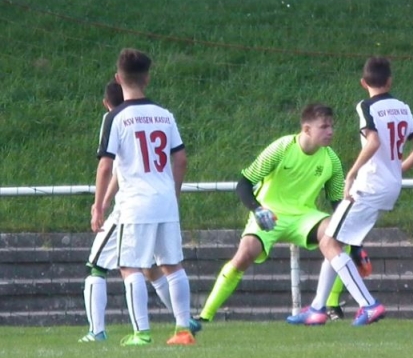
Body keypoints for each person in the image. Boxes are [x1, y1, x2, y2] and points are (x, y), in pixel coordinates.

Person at [287, 57, 413, 327]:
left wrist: (352, 173)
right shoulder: (402, 107)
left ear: (363, 83)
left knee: (328, 243)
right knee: (334, 242)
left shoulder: (366, 106)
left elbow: (373, 141)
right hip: (389, 186)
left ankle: (369, 304)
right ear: (390, 81)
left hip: (369, 185)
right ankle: (318, 308)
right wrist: (398, 169)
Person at [196, 104, 345, 324]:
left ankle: (330, 305)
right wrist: (257, 209)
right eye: (324, 127)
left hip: (303, 217)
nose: (330, 131)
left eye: (332, 126)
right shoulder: (282, 148)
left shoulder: (331, 159)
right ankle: (204, 317)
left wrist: (356, 246)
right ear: (306, 129)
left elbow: (338, 202)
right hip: (269, 213)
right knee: (245, 254)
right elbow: (244, 183)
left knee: (339, 231)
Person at [80, 80, 198, 342]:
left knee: (109, 266)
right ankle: (183, 324)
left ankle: (112, 331)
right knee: (165, 265)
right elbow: (180, 159)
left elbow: (109, 167)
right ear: (146, 79)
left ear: (107, 102)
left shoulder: (115, 118)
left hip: (132, 205)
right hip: (164, 200)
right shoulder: (163, 114)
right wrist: (174, 194)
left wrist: (100, 205)